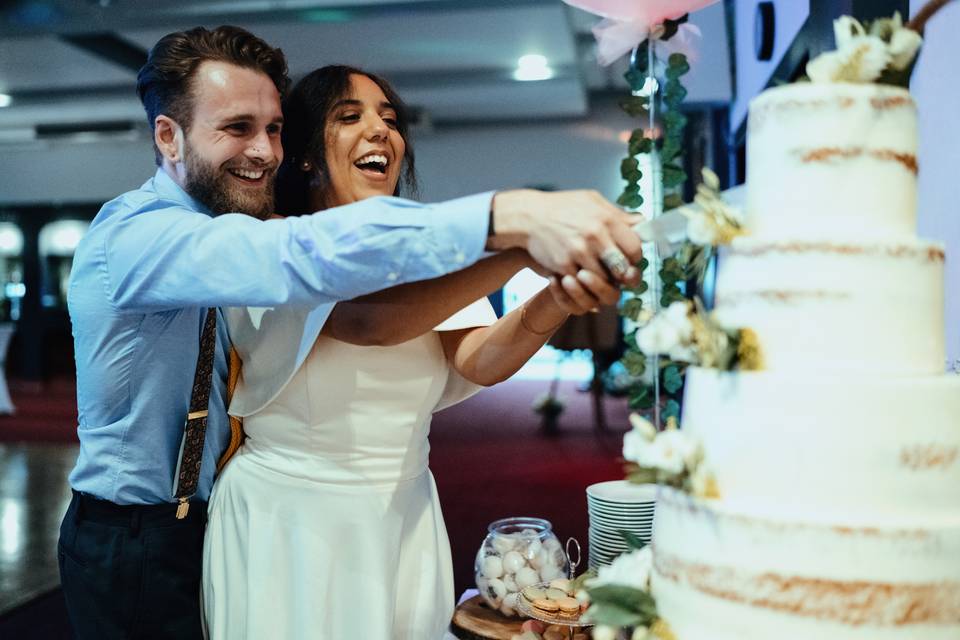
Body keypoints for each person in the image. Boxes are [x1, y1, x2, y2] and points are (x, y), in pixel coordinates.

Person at [58, 26, 643, 640]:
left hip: (377, 511)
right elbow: (354, 306)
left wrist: (549, 285)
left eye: (273, 129)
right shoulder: (155, 237)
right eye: (237, 128)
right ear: (168, 135)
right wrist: (513, 223)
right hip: (160, 527)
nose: (262, 150)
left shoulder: (350, 237)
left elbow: (470, 357)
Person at [201, 64, 621, 639]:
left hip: (405, 510)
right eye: (350, 117)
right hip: (293, 517)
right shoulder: (276, 242)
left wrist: (558, 293)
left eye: (390, 120)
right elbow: (373, 322)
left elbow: (478, 359)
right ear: (302, 154)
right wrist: (524, 245)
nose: (381, 131)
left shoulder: (424, 241)